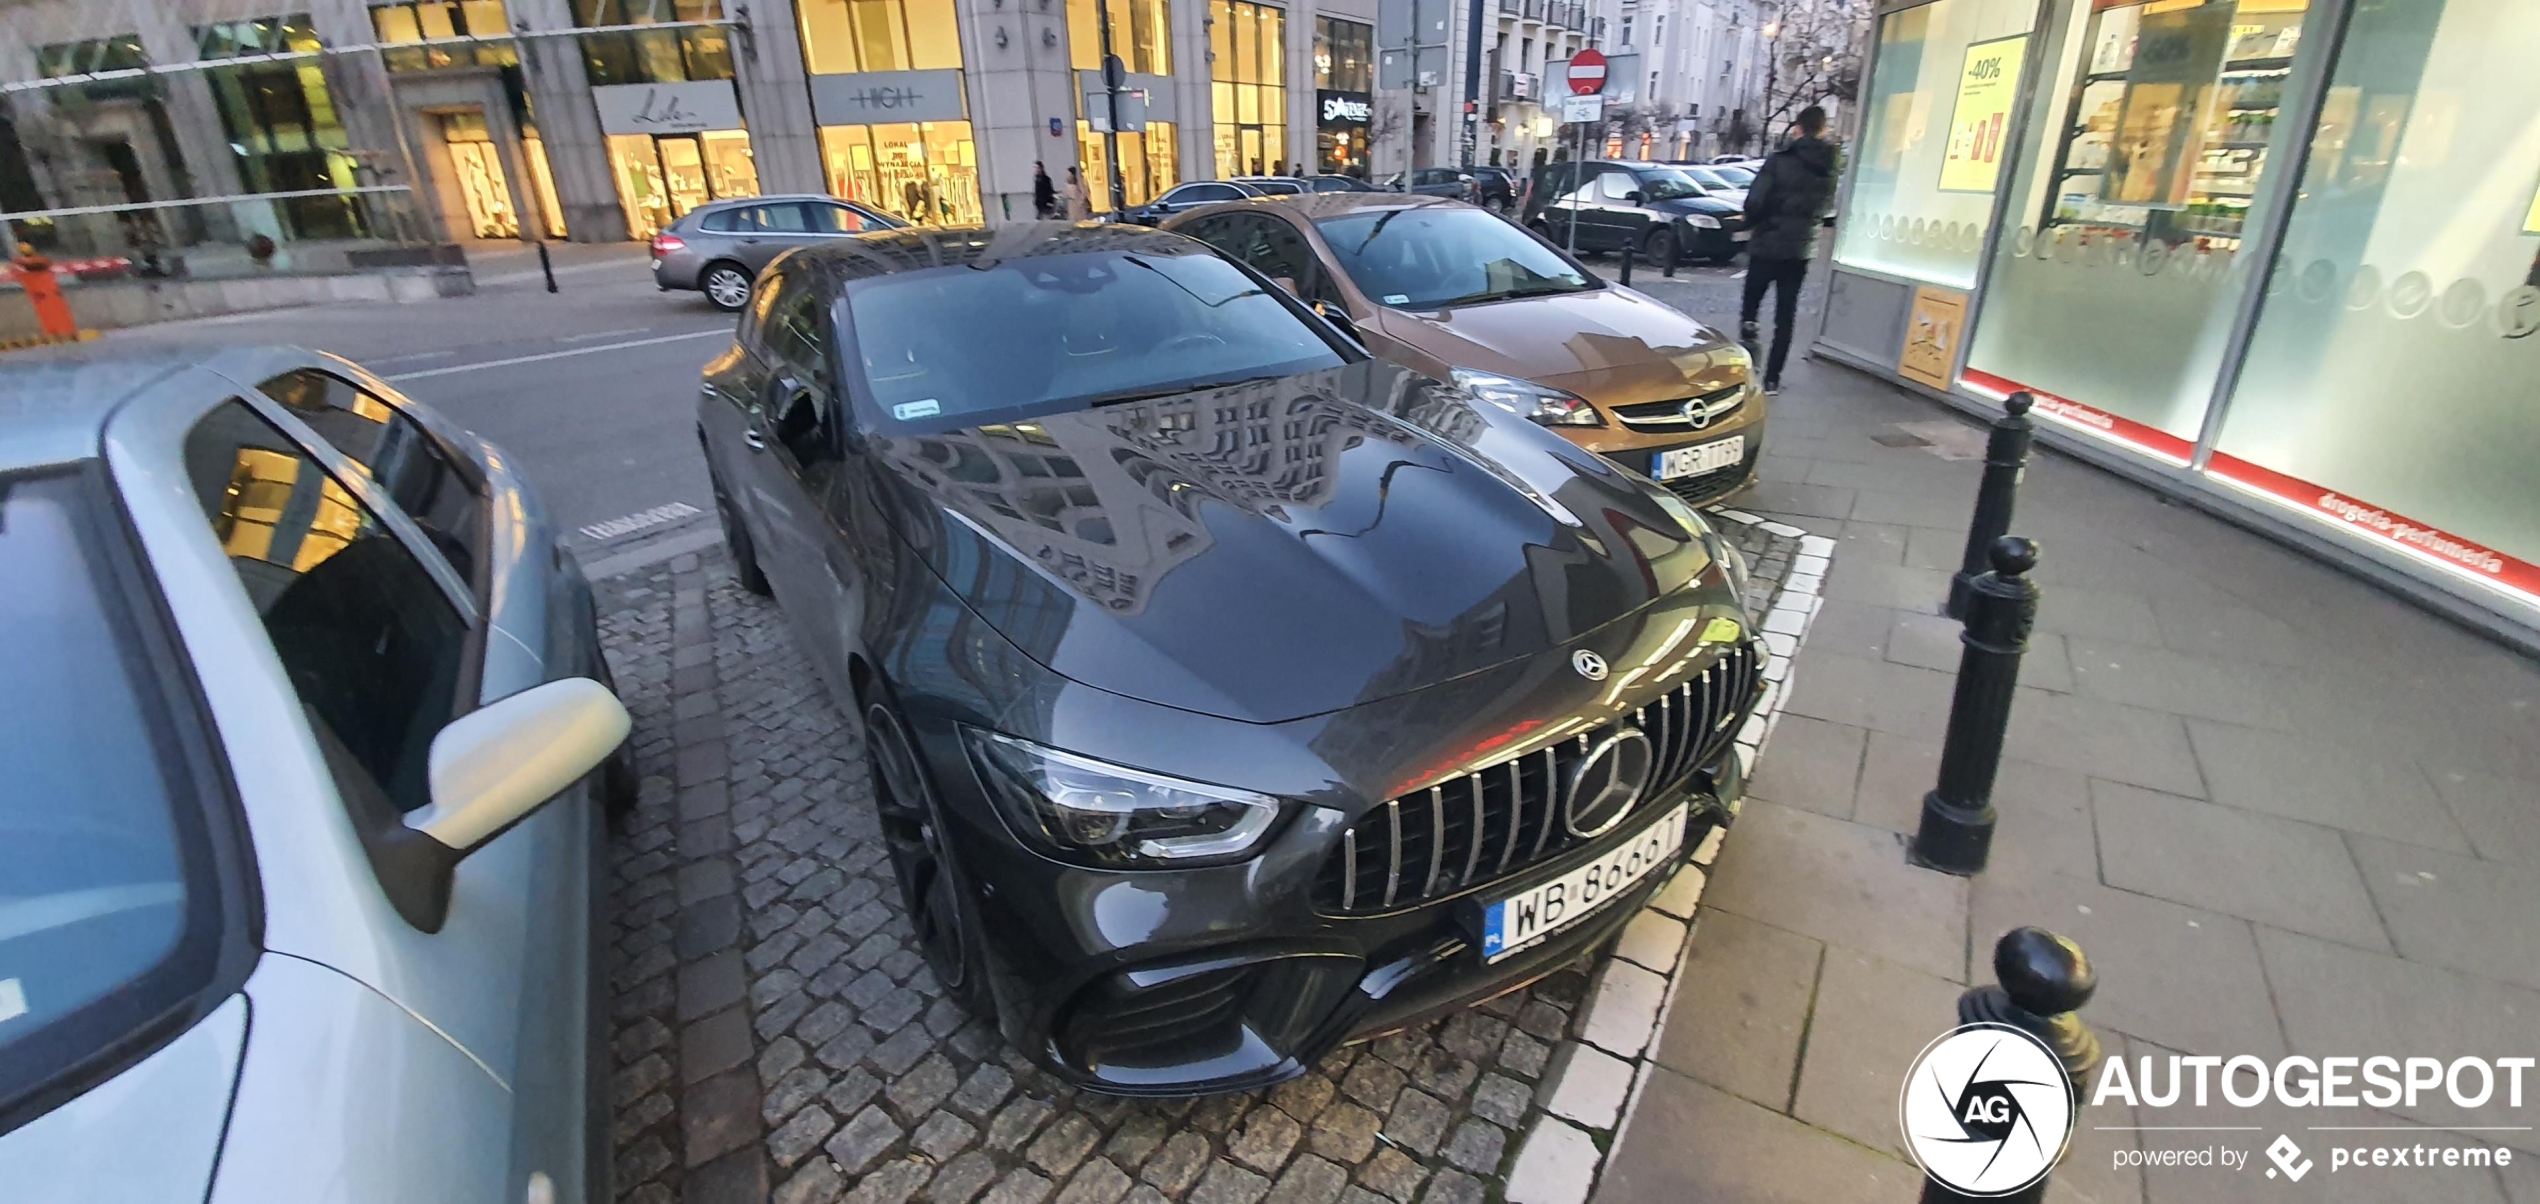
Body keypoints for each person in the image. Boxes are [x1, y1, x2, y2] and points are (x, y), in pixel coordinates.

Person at [1739, 105, 1837, 394]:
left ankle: (1748, 359)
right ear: (1822, 129)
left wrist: (1752, 222)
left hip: (1766, 243)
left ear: (1798, 128)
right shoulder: (1829, 166)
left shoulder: (1779, 161)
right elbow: (1825, 208)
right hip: (1800, 249)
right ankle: (1772, 378)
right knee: (1786, 314)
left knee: (1751, 307)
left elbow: (1755, 201)